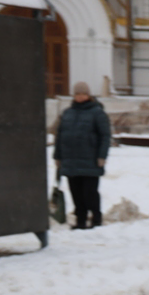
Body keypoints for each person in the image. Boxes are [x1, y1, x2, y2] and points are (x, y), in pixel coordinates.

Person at [54, 82, 112, 229]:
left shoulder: (97, 113)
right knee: (76, 193)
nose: (80, 97)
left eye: (83, 94)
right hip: (70, 160)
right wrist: (58, 156)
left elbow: (105, 136)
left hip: (91, 160)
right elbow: (59, 136)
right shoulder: (67, 113)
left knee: (90, 193)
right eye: (77, 94)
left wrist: (102, 156)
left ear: (88, 95)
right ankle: (80, 221)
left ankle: (96, 219)